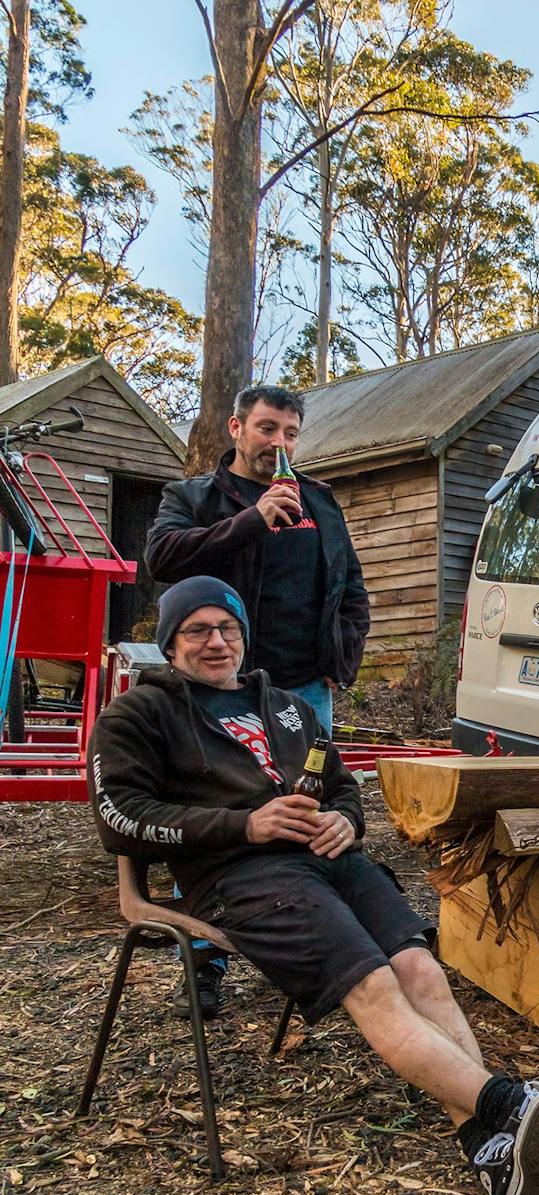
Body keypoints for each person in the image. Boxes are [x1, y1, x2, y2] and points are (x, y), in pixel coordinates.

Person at [87, 577, 539, 1195]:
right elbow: (117, 817)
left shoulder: (284, 705)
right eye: (198, 631)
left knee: (422, 971)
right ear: (170, 642)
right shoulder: (137, 714)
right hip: (240, 878)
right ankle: (516, 1105)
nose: (217, 642)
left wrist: (347, 819)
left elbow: (342, 786)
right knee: (374, 984)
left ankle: (490, 1150)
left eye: (228, 628)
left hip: (327, 859)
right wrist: (245, 823)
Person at [147, 384, 370, 1015]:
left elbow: (351, 589)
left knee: (312, 808)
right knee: (217, 817)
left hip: (304, 694)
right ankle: (205, 960)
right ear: (236, 428)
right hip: (219, 693)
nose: (280, 444)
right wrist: (251, 519)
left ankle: (321, 945)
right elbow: (161, 558)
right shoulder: (194, 498)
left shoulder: (321, 504)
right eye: (267, 429)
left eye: (291, 433)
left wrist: (339, 663)